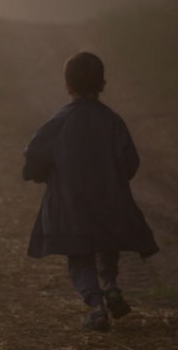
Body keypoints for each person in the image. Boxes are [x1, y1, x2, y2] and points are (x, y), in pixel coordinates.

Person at [22, 51, 159, 332]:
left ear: (67, 85)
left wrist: (39, 174)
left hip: (71, 206)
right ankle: (111, 285)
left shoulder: (59, 121)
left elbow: (34, 155)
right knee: (107, 244)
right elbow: (130, 161)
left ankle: (96, 307)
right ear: (102, 84)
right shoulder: (112, 121)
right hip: (109, 202)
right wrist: (114, 180)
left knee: (79, 254)